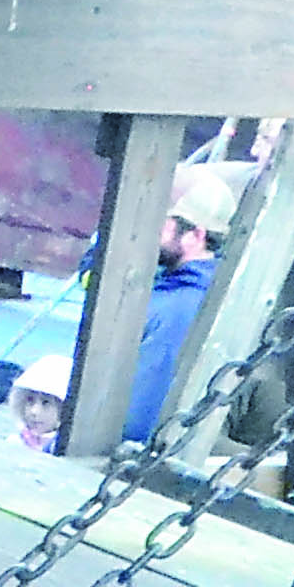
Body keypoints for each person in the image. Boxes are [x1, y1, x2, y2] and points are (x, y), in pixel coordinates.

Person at [120, 155, 239, 448]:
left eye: (159, 222)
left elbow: (139, 416)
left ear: (195, 235)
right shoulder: (171, 289)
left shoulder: (183, 307)